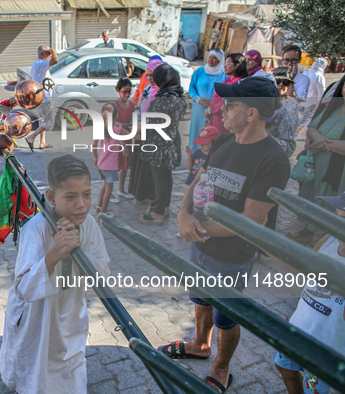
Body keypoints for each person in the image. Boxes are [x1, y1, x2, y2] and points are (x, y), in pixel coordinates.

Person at [167, 77, 290, 393]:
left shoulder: (273, 159)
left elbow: (251, 220)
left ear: (251, 113)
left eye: (230, 104)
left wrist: (194, 227)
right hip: (200, 242)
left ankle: (221, 367)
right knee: (200, 299)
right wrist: (183, 214)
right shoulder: (222, 142)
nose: (221, 108)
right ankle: (199, 344)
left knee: (227, 315)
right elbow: (198, 180)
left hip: (233, 256)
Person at [0, 155, 110, 393]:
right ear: (51, 197)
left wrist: (79, 249)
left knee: (70, 367)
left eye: (87, 194)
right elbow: (25, 287)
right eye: (70, 196)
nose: (81, 204)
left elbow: (102, 277)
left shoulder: (89, 225)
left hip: (70, 311)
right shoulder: (36, 228)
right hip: (37, 317)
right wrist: (55, 254)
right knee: (36, 370)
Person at [274, 192, 345, 394]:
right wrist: (263, 242)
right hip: (299, 328)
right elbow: (306, 268)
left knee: (313, 387)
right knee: (284, 367)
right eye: (337, 218)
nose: (336, 225)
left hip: (327, 348)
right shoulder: (329, 239)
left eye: (343, 221)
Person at [289, 75, 345, 241]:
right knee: (314, 197)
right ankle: (310, 230)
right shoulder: (336, 108)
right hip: (318, 167)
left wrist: (322, 144)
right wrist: (318, 138)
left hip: (338, 173)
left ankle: (324, 240)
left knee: (331, 203)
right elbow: (313, 126)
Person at [139, 64, 187, 225]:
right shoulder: (178, 95)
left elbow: (153, 122)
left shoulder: (164, 98)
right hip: (171, 139)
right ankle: (164, 206)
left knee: (159, 178)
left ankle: (158, 212)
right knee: (166, 176)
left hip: (159, 143)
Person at [127, 58, 164, 206]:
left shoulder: (164, 92)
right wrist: (135, 124)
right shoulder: (148, 89)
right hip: (142, 131)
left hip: (154, 133)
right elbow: (139, 106)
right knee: (141, 164)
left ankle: (153, 196)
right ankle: (141, 195)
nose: (149, 78)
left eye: (152, 75)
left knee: (151, 167)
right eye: (147, 75)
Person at [188, 49, 226, 148]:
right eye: (210, 57)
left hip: (215, 109)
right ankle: (194, 157)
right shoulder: (200, 71)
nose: (211, 60)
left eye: (214, 58)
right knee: (196, 130)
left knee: (210, 132)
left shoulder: (224, 74)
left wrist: (213, 103)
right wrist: (197, 99)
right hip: (199, 107)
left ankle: (207, 158)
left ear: (220, 60)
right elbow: (192, 87)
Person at [24, 45, 58, 151]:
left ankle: (42, 142)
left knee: (42, 120)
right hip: (44, 99)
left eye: (50, 53)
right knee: (49, 121)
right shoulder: (41, 64)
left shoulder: (37, 64)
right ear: (41, 54)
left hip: (40, 98)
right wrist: (53, 50)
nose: (50, 55)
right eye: (48, 53)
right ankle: (31, 137)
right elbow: (56, 60)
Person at [206, 53, 249, 135]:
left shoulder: (237, 83)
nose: (225, 66)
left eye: (228, 64)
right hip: (216, 117)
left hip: (223, 118)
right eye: (225, 63)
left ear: (237, 65)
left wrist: (211, 110)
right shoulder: (229, 79)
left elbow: (225, 103)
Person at [93, 103, 122, 216]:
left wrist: (96, 157)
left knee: (104, 187)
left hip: (101, 164)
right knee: (108, 190)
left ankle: (98, 207)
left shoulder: (100, 129)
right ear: (115, 116)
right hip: (111, 166)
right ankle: (103, 213)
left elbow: (94, 145)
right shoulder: (117, 130)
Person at [266, 66, 299, 157]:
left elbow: (290, 132)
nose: (281, 85)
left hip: (278, 149)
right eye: (277, 82)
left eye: (285, 82)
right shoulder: (265, 100)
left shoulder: (293, 104)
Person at [113, 77, 135, 200]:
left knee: (125, 165)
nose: (127, 95)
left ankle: (121, 189)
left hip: (128, 138)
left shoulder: (132, 106)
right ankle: (109, 190)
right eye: (124, 92)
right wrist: (126, 126)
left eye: (129, 92)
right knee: (112, 164)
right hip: (117, 139)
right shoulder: (114, 105)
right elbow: (114, 123)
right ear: (118, 90)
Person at [300, 58, 328, 127]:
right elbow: (322, 92)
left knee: (303, 120)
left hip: (301, 100)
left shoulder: (306, 72)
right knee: (304, 122)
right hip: (311, 102)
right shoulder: (318, 76)